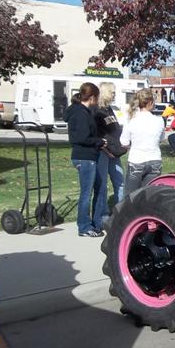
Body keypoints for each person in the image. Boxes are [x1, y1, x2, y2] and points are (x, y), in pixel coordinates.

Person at [63, 82, 106, 237]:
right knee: (86, 193)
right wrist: (99, 142)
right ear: (93, 97)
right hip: (84, 157)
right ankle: (84, 226)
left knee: (100, 188)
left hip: (90, 156)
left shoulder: (84, 111)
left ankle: (96, 222)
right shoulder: (80, 113)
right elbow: (81, 137)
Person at [93, 82, 127, 228]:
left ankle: (122, 212)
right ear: (105, 92)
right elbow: (97, 135)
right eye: (112, 92)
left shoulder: (109, 110)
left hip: (115, 153)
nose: (114, 94)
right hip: (103, 152)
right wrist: (106, 150)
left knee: (120, 181)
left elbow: (115, 130)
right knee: (102, 185)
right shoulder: (97, 111)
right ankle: (103, 215)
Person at [121, 88, 166, 194]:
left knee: (131, 196)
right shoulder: (159, 120)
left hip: (136, 160)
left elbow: (124, 142)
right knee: (149, 196)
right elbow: (161, 138)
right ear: (150, 103)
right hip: (155, 159)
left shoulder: (131, 120)